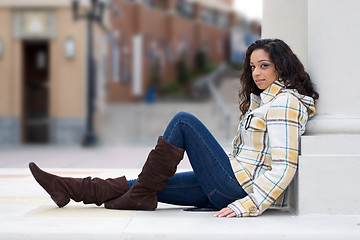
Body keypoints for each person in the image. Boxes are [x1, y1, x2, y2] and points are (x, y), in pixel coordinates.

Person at [29, 39, 319, 217]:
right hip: (230, 182)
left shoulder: (285, 104)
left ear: (281, 67)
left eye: (264, 65)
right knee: (147, 185)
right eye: (252, 66)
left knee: (184, 121)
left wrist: (248, 206)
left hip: (237, 188)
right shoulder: (265, 102)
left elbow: (284, 166)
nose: (256, 73)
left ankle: (135, 194)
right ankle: (68, 188)